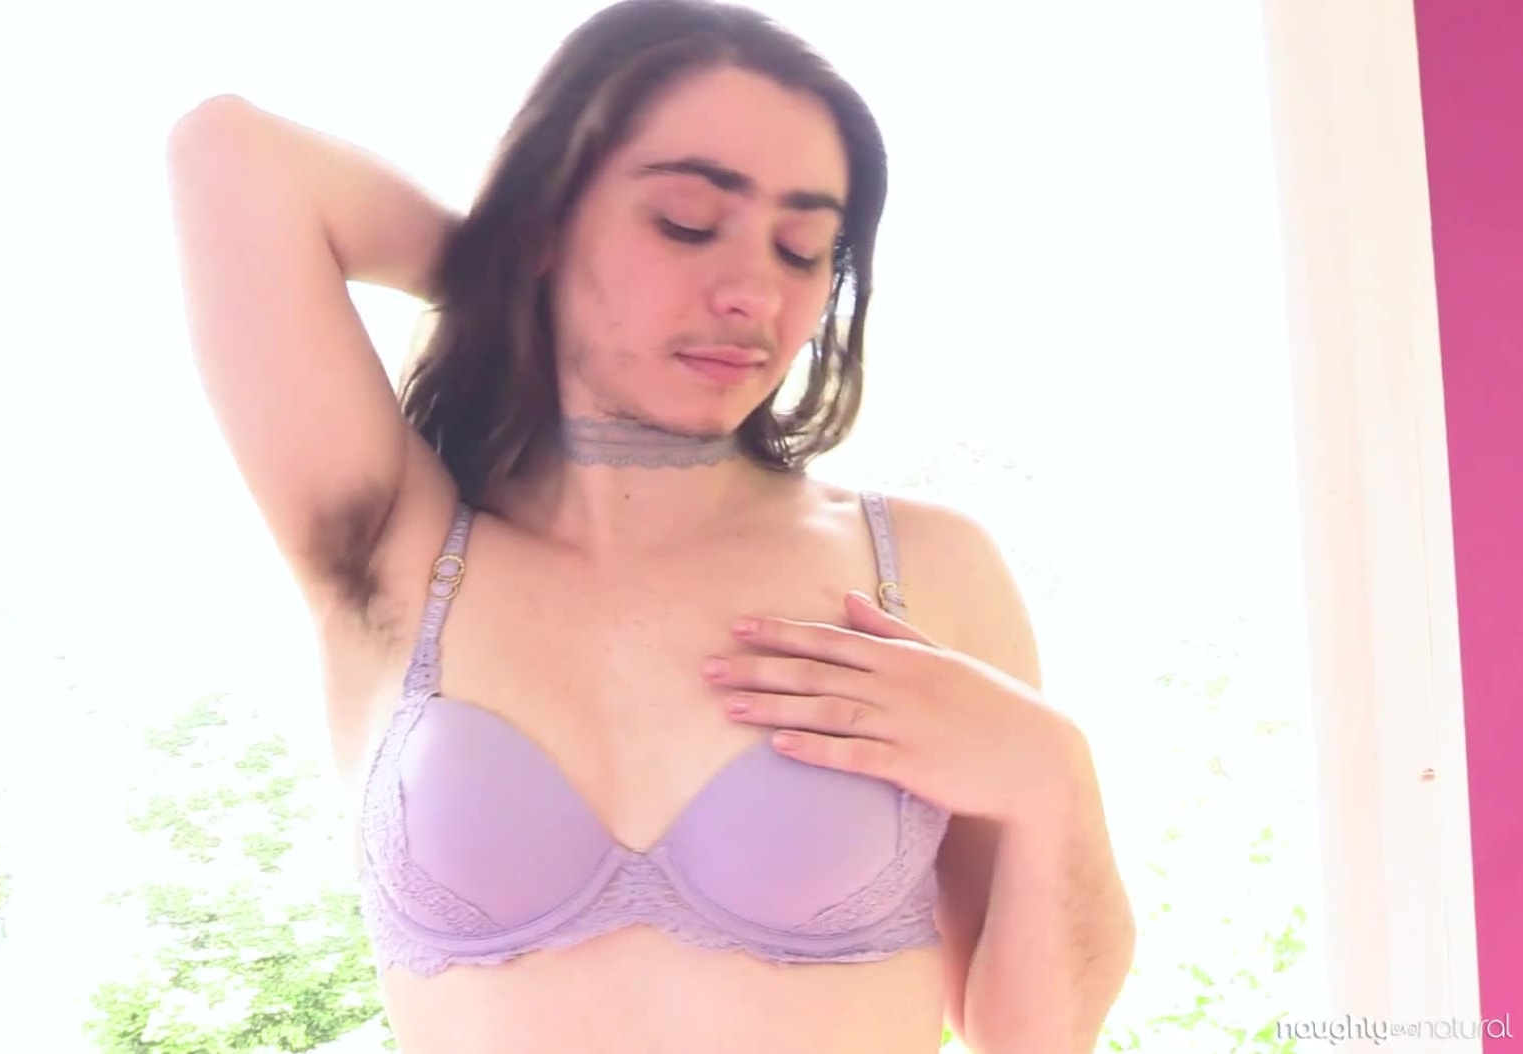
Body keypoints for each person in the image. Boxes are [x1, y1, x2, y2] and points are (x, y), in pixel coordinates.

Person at [164, 1, 1135, 1050]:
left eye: (802, 248)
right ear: (545, 223)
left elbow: (1033, 1039)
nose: (752, 293)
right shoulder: (400, 553)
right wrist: (516, 274)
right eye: (682, 224)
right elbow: (233, 157)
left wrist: (1052, 777)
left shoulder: (923, 570)